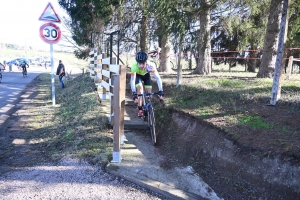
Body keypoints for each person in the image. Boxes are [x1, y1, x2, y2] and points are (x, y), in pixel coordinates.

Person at [131, 51, 164, 117]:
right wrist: (134, 93)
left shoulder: (151, 66)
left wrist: (161, 90)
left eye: (143, 63)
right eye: (139, 64)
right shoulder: (134, 67)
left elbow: (158, 78)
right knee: (140, 90)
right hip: (138, 76)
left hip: (146, 76)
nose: (141, 66)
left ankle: (148, 106)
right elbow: (132, 80)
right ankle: (140, 109)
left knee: (149, 93)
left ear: (146, 62)